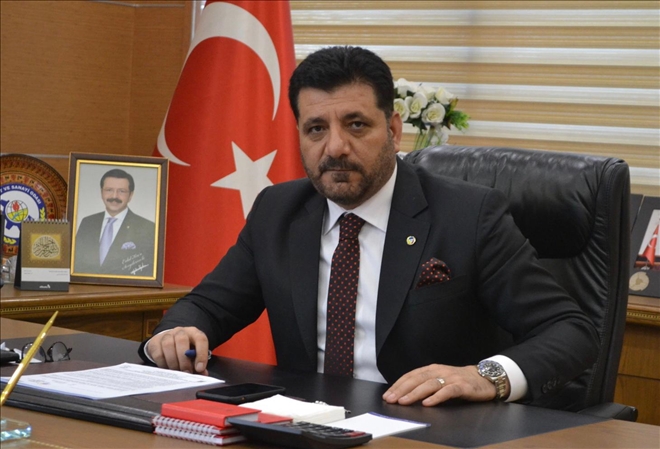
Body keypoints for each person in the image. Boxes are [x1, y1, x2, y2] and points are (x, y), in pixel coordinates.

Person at [140, 46, 598, 409]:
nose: (335, 147)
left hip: (428, 428)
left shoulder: (468, 216)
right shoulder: (278, 211)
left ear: (394, 130)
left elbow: (570, 330)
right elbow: (208, 305)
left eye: (356, 125)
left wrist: (485, 376)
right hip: (307, 425)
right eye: (316, 129)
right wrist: (178, 333)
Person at [74, 168, 155, 276]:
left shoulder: (148, 228)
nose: (114, 196)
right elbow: (77, 263)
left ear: (131, 195)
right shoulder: (87, 223)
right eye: (109, 190)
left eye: (121, 191)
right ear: (101, 192)